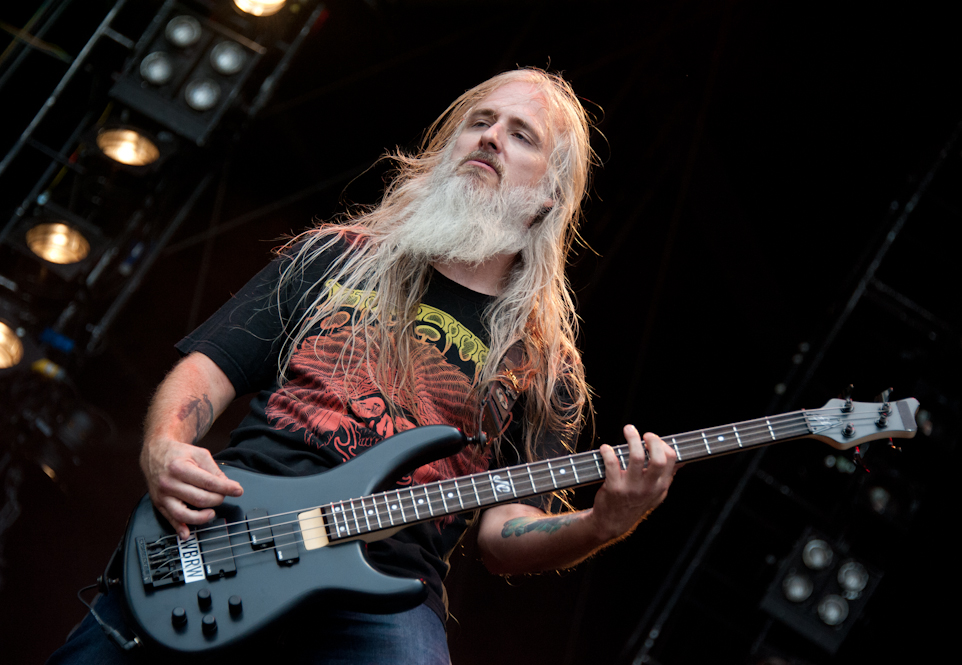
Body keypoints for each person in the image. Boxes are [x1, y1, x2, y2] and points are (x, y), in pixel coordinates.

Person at [48, 68, 678, 664]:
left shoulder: (544, 367)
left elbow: (504, 534)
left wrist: (603, 523)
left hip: (389, 580)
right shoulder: (334, 256)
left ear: (547, 197)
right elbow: (209, 371)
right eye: (479, 121)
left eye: (521, 135)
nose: (490, 136)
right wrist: (163, 447)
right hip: (231, 528)